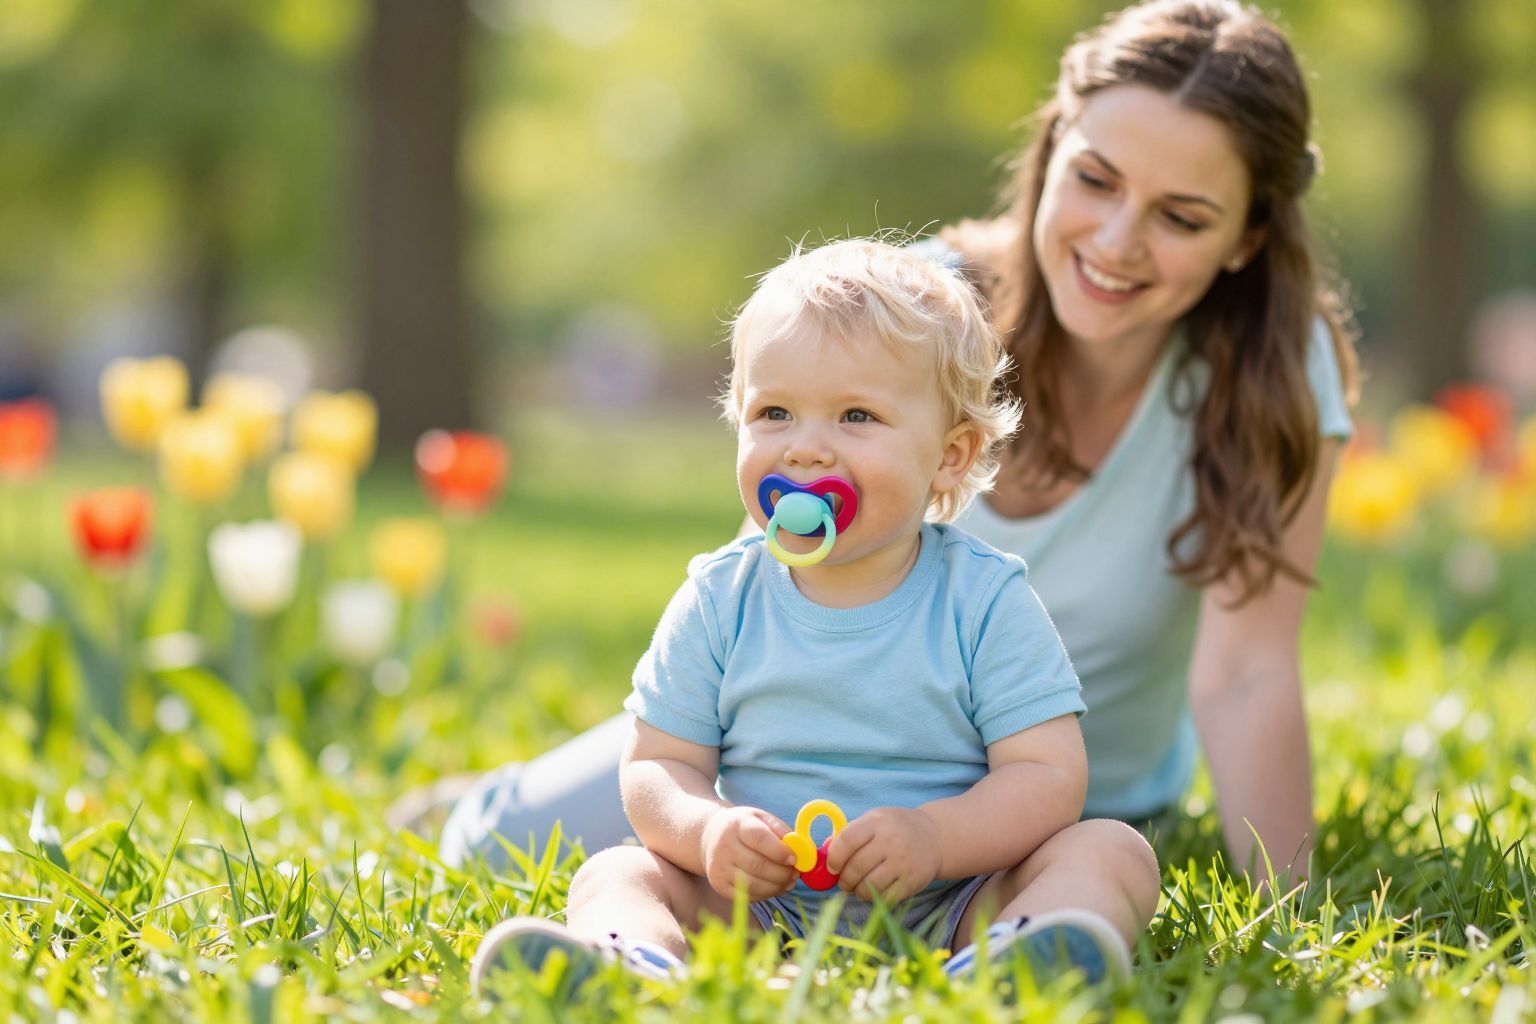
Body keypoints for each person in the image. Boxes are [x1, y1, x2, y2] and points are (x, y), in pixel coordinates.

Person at [439, 0, 1358, 901]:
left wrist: (1290, 905)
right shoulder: (916, 309)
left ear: (1247, 238)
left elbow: (1246, 673)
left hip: (1050, 807)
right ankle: (461, 800)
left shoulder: (1272, 371)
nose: (1116, 242)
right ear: (1050, 154)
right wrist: (721, 816)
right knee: (500, 847)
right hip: (800, 783)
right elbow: (777, 587)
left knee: (1081, 879)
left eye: (1182, 218)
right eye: (1097, 179)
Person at [469, 238, 1159, 994]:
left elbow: (1048, 776)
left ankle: (1017, 958)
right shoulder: (720, 598)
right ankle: (631, 963)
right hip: (759, 907)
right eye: (774, 413)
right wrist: (707, 832)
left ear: (951, 456)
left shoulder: (985, 599)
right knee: (620, 870)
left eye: (856, 415)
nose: (804, 448)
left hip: (958, 897)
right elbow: (657, 765)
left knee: (1112, 850)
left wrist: (936, 839)